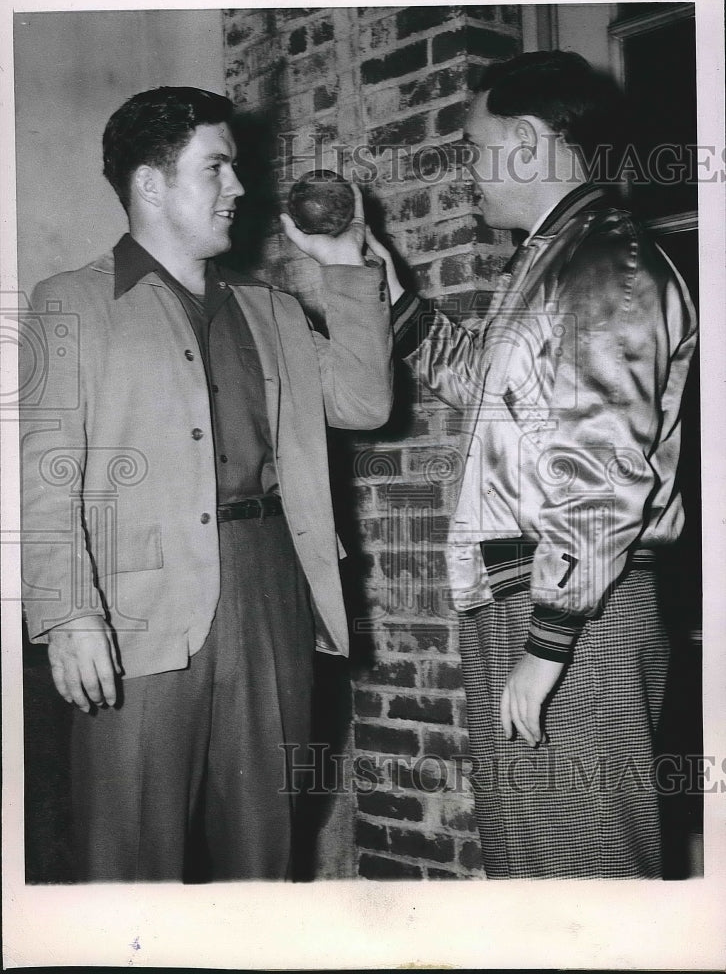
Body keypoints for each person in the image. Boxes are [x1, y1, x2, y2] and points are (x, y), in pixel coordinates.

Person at [20, 86, 392, 882]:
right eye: (217, 168)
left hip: (270, 594)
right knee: (127, 858)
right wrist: (69, 614)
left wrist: (346, 271)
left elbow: (364, 402)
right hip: (134, 612)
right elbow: (44, 473)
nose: (240, 188)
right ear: (150, 185)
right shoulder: (70, 303)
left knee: (265, 852)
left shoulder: (271, 308)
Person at [367, 51, 697, 878]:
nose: (470, 174)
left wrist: (548, 645)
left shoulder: (602, 265)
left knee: (587, 878)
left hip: (575, 615)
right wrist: (388, 289)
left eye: (476, 149)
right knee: (535, 873)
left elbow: (604, 472)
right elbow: (478, 381)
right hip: (538, 601)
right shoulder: (557, 258)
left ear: (525, 141)